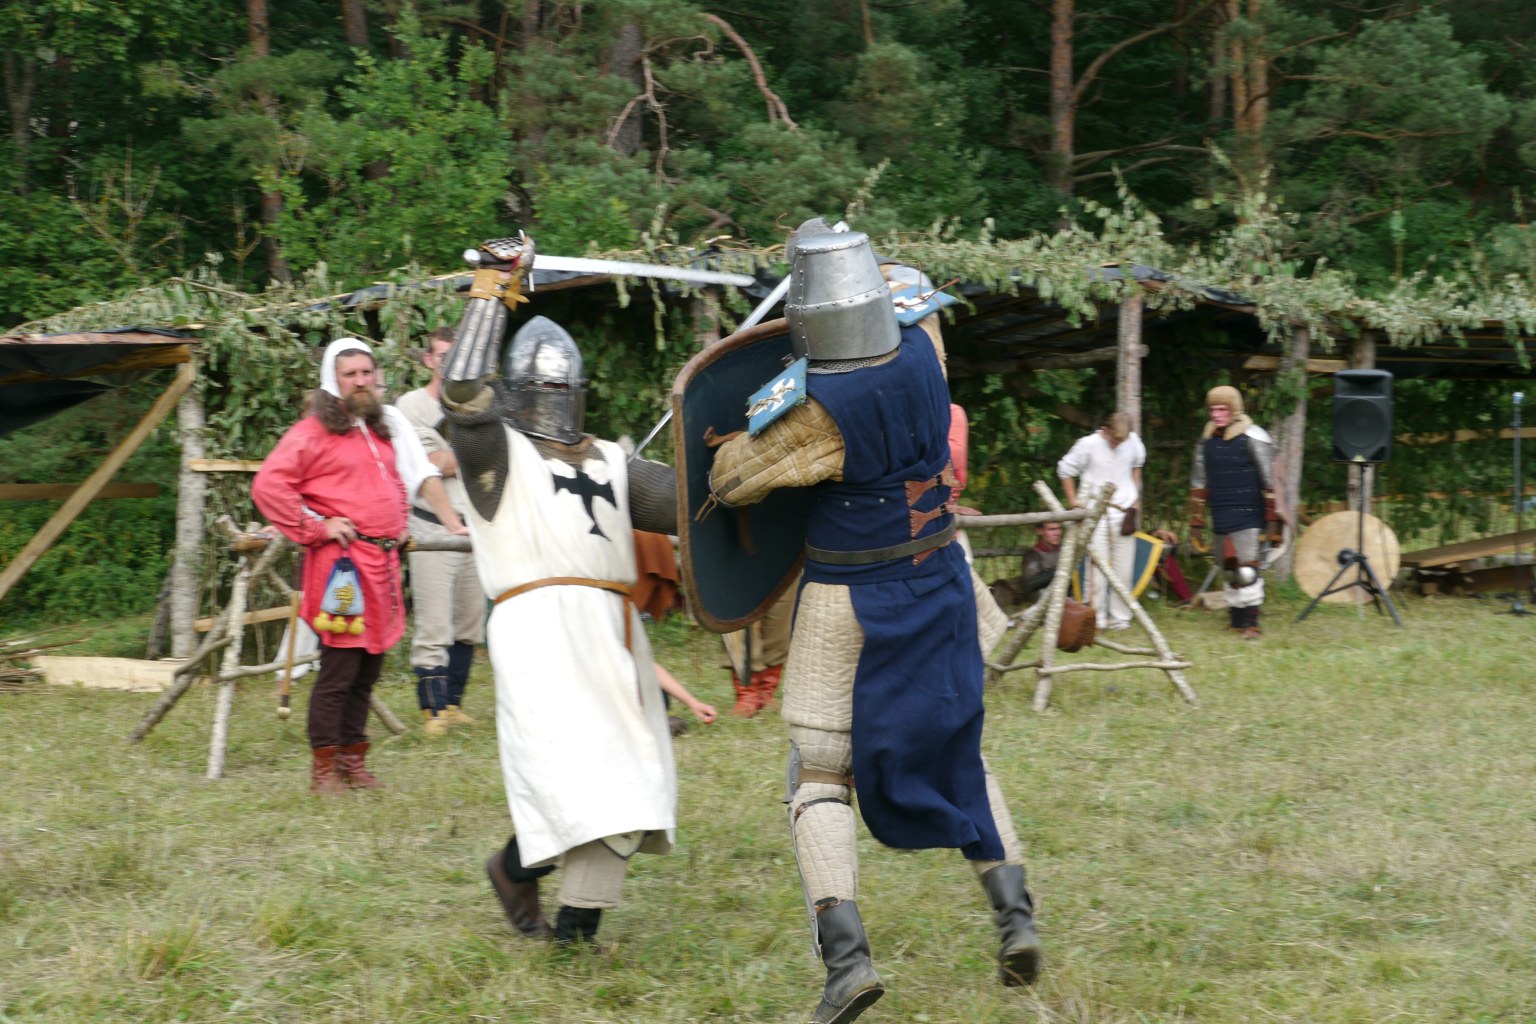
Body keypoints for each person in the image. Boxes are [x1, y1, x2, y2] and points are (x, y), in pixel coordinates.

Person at [707, 225, 1040, 1024]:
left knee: (818, 771)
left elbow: (730, 481)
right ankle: (1016, 917)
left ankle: (847, 965)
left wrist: (744, 410)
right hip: (942, 576)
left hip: (852, 593)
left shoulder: (817, 408)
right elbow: (907, 303)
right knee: (959, 747)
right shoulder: (927, 350)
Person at [437, 280, 680, 949]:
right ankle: (538, 892)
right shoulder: (495, 456)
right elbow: (460, 390)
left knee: (628, 774)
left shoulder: (611, 461)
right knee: (570, 772)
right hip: (536, 630)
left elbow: (695, 503)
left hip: (610, 630)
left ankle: (565, 916)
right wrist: (489, 293)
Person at [253, 339, 464, 793]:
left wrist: (409, 523)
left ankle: (353, 758)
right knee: (340, 671)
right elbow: (269, 486)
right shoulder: (311, 433)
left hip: (382, 564)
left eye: (367, 373)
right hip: (342, 570)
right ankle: (324, 768)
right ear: (335, 380)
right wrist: (317, 527)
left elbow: (404, 480)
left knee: (368, 670)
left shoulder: (382, 428)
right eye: (351, 374)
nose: (361, 381)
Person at [395, 326, 486, 736]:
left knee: (469, 622)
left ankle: (452, 703)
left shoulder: (477, 403)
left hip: (476, 526)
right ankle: (431, 710)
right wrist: (475, 451)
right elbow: (432, 462)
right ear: (430, 360)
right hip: (431, 526)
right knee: (435, 623)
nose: (452, 364)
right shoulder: (409, 406)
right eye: (444, 356)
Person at [1189, 385, 1281, 639]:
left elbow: (1270, 481)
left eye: (1222, 409)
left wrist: (1273, 519)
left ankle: (1252, 623)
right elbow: (1199, 483)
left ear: (1235, 409)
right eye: (1213, 409)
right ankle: (1236, 620)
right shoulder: (1206, 442)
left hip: (1249, 514)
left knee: (1248, 570)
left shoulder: (1254, 437)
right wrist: (1196, 521)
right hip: (1221, 512)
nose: (1217, 414)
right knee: (1228, 570)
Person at [1056, 412, 1146, 631]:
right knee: (1096, 569)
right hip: (1095, 513)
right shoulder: (1087, 444)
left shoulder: (1133, 442)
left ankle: (1120, 618)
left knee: (1124, 570)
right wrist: (1074, 502)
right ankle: (1096, 617)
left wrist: (1135, 496)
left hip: (1124, 512)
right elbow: (1064, 470)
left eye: (1120, 441)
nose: (1117, 444)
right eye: (1114, 440)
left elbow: (1138, 464)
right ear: (1105, 430)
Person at [990, 520, 1063, 613]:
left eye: (1059, 528)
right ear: (1040, 531)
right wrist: (1057, 572)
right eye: (1052, 529)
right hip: (1046, 601)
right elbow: (1031, 584)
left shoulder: (1065, 551)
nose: (1057, 533)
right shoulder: (1033, 555)